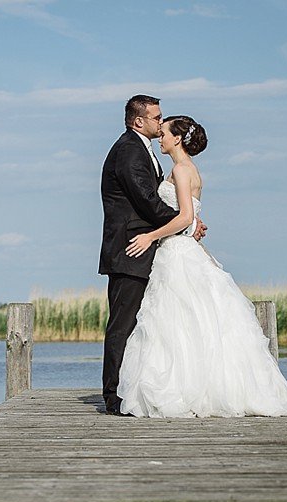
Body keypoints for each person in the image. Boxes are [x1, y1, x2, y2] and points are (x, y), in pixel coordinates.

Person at [116, 115, 287, 418]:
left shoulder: (180, 169)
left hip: (177, 252)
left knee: (177, 321)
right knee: (184, 323)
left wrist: (150, 236)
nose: (160, 136)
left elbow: (184, 218)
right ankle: (194, 387)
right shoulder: (188, 170)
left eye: (163, 132)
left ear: (177, 139)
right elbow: (188, 217)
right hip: (181, 249)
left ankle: (185, 390)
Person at [98, 96, 207, 416]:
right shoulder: (130, 150)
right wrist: (185, 225)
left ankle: (139, 388)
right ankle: (113, 396)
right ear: (138, 122)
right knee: (123, 324)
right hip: (131, 249)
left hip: (151, 249)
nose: (161, 123)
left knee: (151, 324)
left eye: (162, 119)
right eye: (156, 118)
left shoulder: (147, 151)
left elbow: (163, 200)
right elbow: (147, 201)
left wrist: (188, 219)